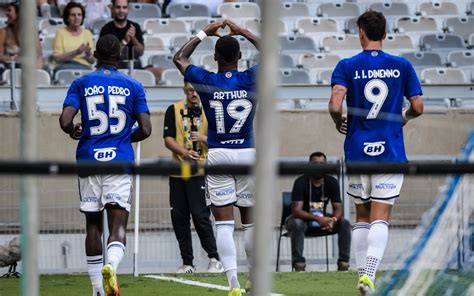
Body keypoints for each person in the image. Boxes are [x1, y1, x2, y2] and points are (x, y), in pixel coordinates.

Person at [328, 10, 424, 295]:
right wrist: (403, 117)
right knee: (381, 216)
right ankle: (369, 276)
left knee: (361, 215)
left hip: (357, 150)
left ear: (361, 32)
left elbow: (335, 106)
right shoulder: (402, 65)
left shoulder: (346, 65)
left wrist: (338, 121)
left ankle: (363, 276)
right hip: (390, 150)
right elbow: (418, 107)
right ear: (385, 33)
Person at [59, 34, 152, 296]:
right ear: (120, 57)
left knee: (93, 226)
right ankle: (111, 265)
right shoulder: (133, 86)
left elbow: (65, 121)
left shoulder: (81, 83)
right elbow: (145, 129)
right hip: (119, 160)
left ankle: (97, 290)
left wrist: (73, 130)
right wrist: (122, 137)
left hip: (89, 158)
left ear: (96, 56)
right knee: (118, 225)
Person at [174, 19, 258, 296]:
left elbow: (179, 57)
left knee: (224, 224)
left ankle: (232, 284)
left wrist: (203, 32)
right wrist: (243, 31)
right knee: (250, 222)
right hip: (246, 152)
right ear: (240, 57)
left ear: (215, 58)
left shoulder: (206, 80)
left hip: (219, 153)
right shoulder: (250, 78)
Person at [163, 80, 223, 274]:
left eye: (197, 91)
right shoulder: (173, 109)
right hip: (179, 170)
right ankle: (187, 263)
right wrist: (184, 151)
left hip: (200, 170)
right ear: (185, 91)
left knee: (200, 215)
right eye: (190, 91)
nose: (194, 94)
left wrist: (204, 138)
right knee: (179, 217)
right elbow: (168, 138)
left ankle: (214, 258)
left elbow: (221, 137)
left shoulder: (211, 109)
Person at [285, 151, 351, 272]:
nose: (319, 167)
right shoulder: (301, 182)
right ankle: (299, 264)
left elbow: (338, 209)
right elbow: (296, 211)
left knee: (345, 223)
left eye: (322, 164)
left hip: (322, 220)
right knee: (297, 223)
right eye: (315, 163)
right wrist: (319, 219)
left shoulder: (331, 182)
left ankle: (343, 263)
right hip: (301, 220)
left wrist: (333, 220)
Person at [99, 0, 144, 69]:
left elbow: (140, 52)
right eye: (118, 7)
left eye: (124, 7)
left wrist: (133, 38)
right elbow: (108, 58)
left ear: (128, 9)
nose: (121, 10)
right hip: (114, 68)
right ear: (112, 9)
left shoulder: (135, 27)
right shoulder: (106, 29)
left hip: (135, 66)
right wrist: (125, 41)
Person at [0, 2, 44, 73]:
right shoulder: (3, 32)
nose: (6, 14)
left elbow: (38, 53)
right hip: (11, 68)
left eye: (9, 10)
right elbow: (0, 56)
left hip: (29, 67)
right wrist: (11, 58)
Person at [53, 2, 95, 72]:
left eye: (79, 15)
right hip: (65, 68)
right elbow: (57, 58)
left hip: (85, 67)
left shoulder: (87, 33)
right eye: (73, 15)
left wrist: (89, 54)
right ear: (67, 18)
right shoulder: (60, 33)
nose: (76, 17)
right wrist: (76, 52)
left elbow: (92, 61)